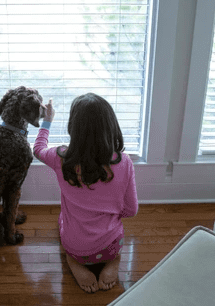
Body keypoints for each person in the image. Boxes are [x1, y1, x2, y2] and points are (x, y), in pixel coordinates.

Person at [34, 93, 138, 293]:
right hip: (111, 245)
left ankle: (74, 262)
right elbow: (131, 210)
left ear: (73, 127)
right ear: (111, 125)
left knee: (62, 219)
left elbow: (38, 149)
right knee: (113, 242)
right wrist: (111, 213)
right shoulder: (123, 161)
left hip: (76, 247)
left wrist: (47, 120)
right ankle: (112, 261)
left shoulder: (60, 157)